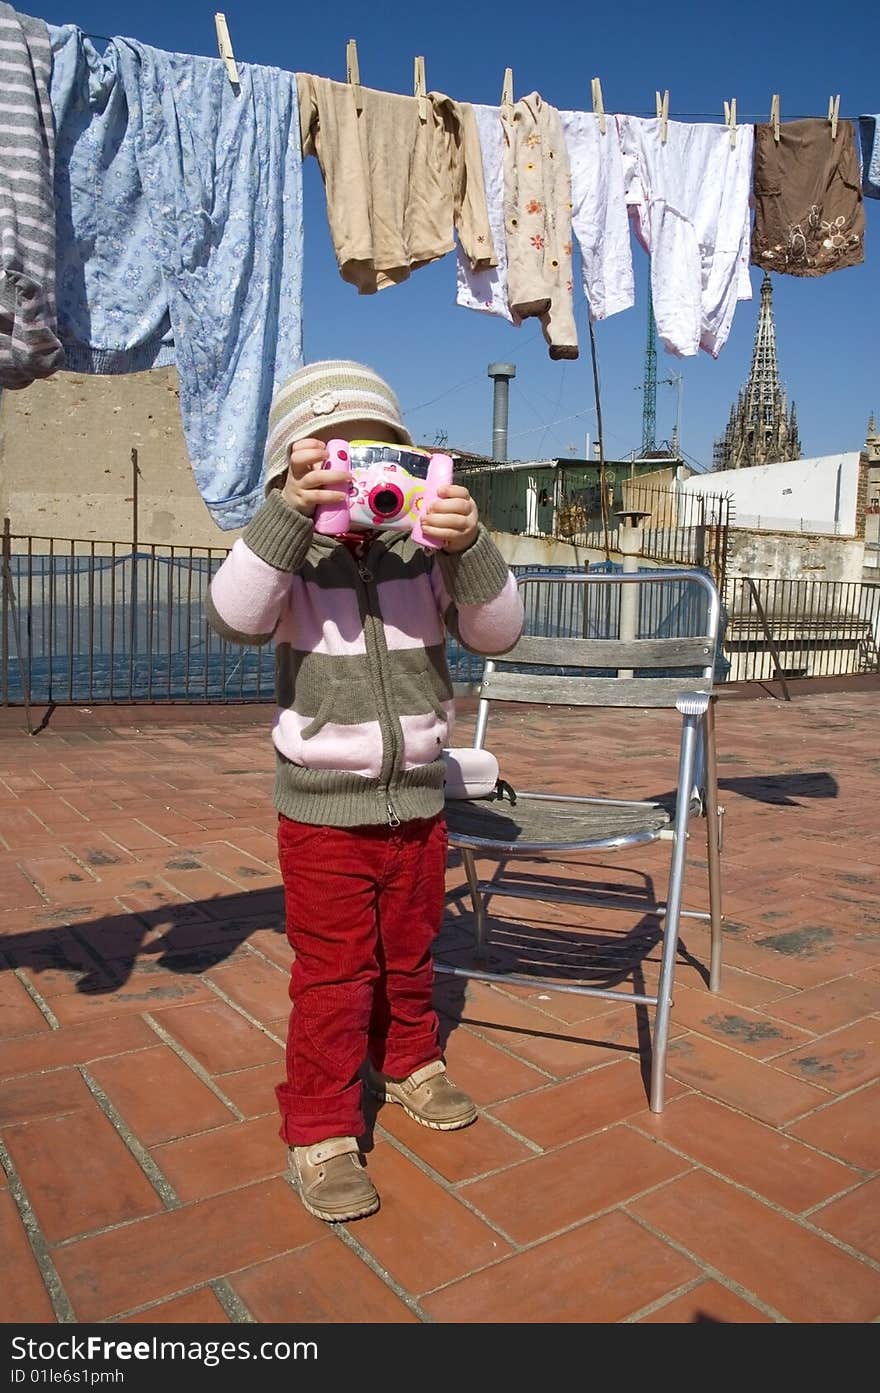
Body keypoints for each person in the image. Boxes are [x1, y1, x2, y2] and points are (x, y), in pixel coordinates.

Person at [206, 360, 524, 1222]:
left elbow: (503, 632)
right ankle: (321, 1125)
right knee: (334, 971)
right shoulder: (288, 554)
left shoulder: (422, 549)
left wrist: (470, 544)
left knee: (412, 945)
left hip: (418, 799)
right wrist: (285, 518)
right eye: (331, 459)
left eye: (379, 457)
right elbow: (233, 617)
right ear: (294, 472)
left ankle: (410, 1055)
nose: (361, 476)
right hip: (321, 811)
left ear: (410, 467)